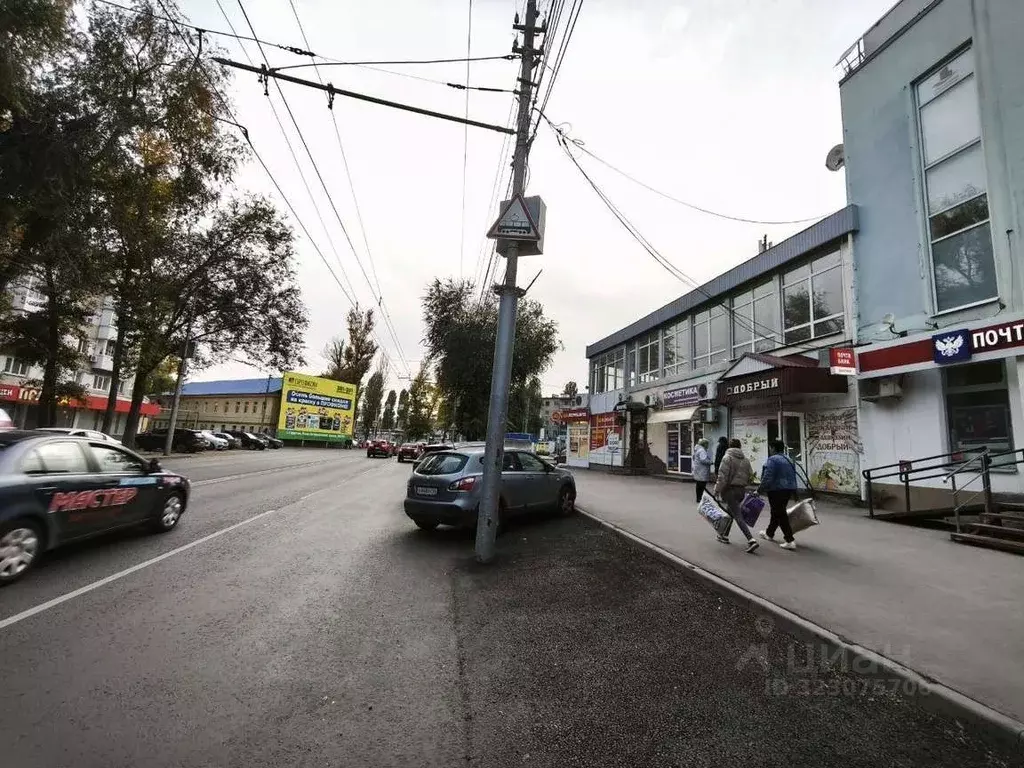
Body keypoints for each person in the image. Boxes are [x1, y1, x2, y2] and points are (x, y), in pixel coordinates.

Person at [714, 438, 759, 553]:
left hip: (730, 490)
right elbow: (751, 477)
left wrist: (717, 490)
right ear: (739, 447)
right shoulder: (746, 460)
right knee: (730, 513)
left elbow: (722, 477)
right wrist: (743, 484)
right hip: (741, 491)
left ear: (729, 446)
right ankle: (724, 535)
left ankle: (751, 540)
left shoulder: (727, 458)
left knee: (738, 516)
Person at [757, 440, 798, 550]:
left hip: (776, 489)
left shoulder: (773, 460)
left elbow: (768, 476)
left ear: (773, 448)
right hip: (788, 489)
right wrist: (795, 491)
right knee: (777, 511)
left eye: (770, 448)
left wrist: (759, 490)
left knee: (780, 513)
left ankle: (789, 540)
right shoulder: (788, 459)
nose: (770, 450)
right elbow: (793, 475)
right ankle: (769, 533)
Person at [691, 438, 713, 503]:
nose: (708, 445)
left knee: (698, 485)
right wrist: (710, 462)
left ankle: (698, 498)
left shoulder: (698, 449)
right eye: (707, 444)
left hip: (698, 469)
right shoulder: (702, 451)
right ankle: (700, 498)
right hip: (702, 470)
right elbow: (703, 460)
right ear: (704, 444)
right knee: (702, 485)